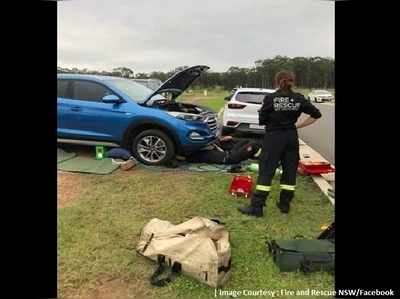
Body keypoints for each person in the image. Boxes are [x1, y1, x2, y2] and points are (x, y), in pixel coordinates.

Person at [238, 70, 322, 217]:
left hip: (273, 138)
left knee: (266, 170)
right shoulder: (299, 98)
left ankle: (257, 207)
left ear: (277, 81)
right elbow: (316, 115)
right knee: (290, 170)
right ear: (292, 82)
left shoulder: (271, 98)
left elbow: (262, 120)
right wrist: (297, 125)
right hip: (291, 137)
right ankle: (284, 205)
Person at [180, 135, 262, 165]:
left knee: (246, 141)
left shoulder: (207, 146)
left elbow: (214, 143)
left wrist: (223, 139)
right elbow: (184, 158)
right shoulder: (198, 155)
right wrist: (177, 157)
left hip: (229, 152)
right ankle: (261, 157)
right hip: (229, 157)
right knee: (253, 145)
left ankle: (257, 154)